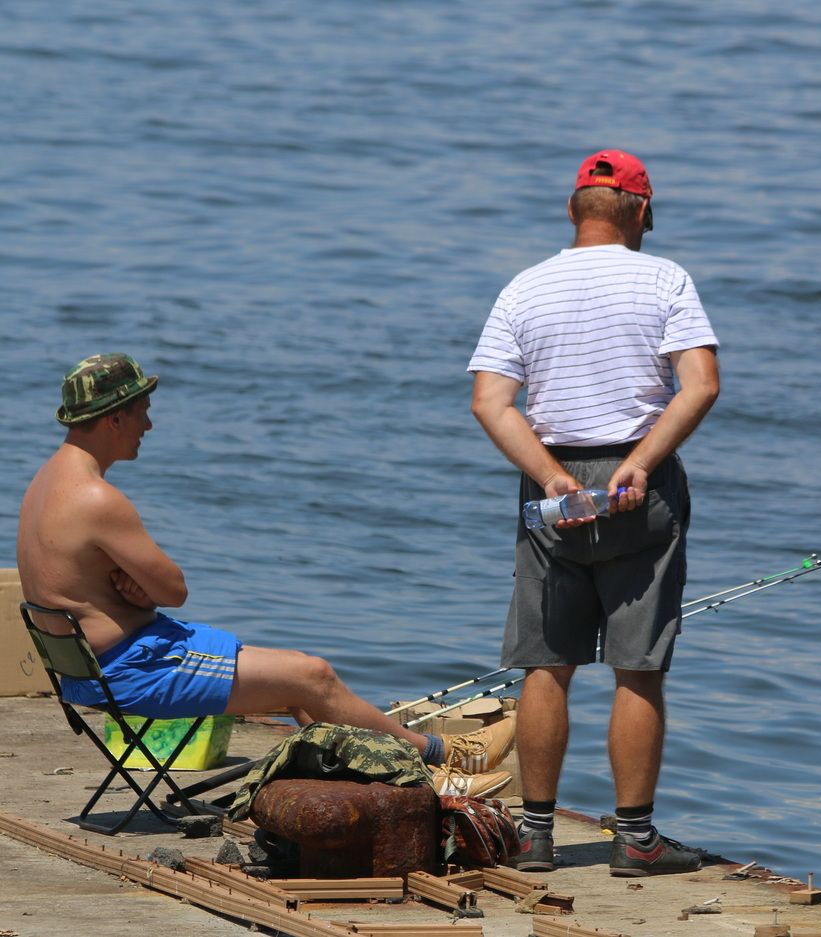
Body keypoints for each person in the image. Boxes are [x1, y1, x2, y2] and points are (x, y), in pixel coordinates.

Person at [17, 352, 513, 798]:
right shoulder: (97, 499)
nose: (148, 423)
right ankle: (441, 757)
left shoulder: (45, 484)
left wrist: (138, 598)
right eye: (143, 410)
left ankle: (408, 778)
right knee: (311, 677)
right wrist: (146, 595)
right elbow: (174, 589)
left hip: (101, 664)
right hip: (135, 669)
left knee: (300, 671)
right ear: (115, 417)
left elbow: (104, 593)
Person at [468, 149, 720, 875]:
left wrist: (550, 478)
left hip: (553, 481)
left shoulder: (525, 287)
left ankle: (536, 834)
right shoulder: (667, 278)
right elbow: (699, 384)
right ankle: (635, 839)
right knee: (638, 667)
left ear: (573, 211)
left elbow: (490, 401)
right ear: (641, 211)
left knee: (546, 663)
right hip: (639, 480)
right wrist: (642, 463)